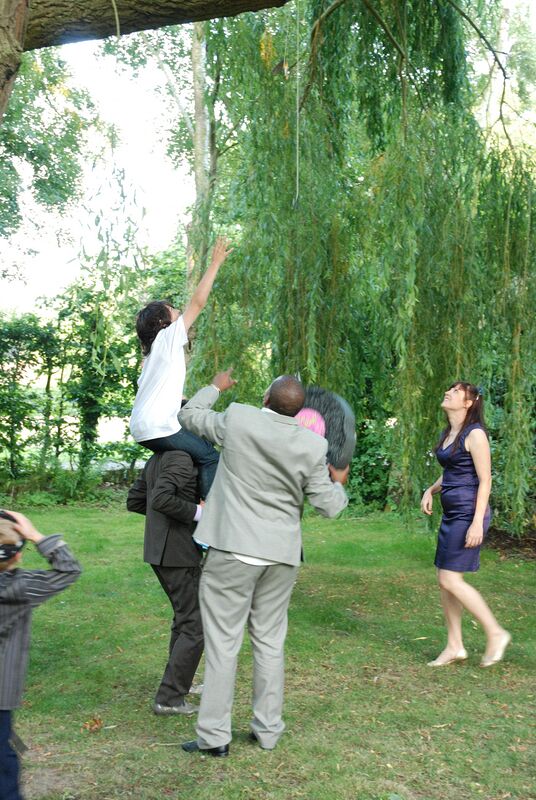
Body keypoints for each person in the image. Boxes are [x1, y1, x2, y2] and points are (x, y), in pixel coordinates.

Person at [178, 370, 349, 758]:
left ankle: (214, 737)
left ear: (266, 399)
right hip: (281, 556)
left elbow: (189, 415)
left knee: (224, 644)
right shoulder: (313, 444)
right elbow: (329, 506)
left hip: (233, 549)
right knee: (270, 643)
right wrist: (339, 482)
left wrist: (215, 388)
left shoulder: (240, 419)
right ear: (299, 411)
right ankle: (268, 731)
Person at [129, 237, 233, 498]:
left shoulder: (152, 356)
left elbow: (166, 396)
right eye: (173, 311)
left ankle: (190, 501)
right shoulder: (167, 338)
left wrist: (192, 400)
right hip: (157, 426)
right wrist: (215, 263)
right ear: (162, 323)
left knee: (199, 443)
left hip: (142, 428)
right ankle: (208, 514)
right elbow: (197, 303)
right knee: (209, 457)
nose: (178, 313)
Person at [421, 382, 511, 668]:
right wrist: (431, 489)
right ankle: (455, 646)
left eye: (457, 391)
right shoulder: (449, 433)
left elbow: (485, 480)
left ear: (469, 403)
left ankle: (495, 632)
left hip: (468, 514)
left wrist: (476, 524)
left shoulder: (475, 434)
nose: (448, 392)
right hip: (452, 514)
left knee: (450, 579)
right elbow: (452, 470)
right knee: (444, 580)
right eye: (449, 389)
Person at [0, 510, 81, 800]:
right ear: (18, 555)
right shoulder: (18, 588)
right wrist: (36, 536)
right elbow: (68, 570)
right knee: (2, 759)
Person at [126, 450, 204, 715]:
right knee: (195, 624)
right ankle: (169, 698)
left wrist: (163, 523)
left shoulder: (159, 455)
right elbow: (160, 500)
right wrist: (198, 513)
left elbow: (136, 500)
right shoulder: (182, 456)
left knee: (185, 618)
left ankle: (180, 684)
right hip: (177, 552)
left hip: (162, 550)